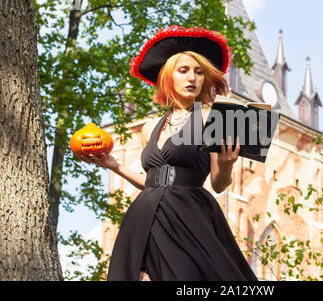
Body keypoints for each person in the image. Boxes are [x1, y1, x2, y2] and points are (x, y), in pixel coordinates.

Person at [77, 25, 258, 281]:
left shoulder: (215, 119)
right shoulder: (149, 127)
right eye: (183, 71)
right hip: (143, 219)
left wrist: (227, 165)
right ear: (167, 77)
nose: (192, 78)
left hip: (189, 218)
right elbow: (154, 183)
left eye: (198, 72)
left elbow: (218, 185)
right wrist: (115, 167)